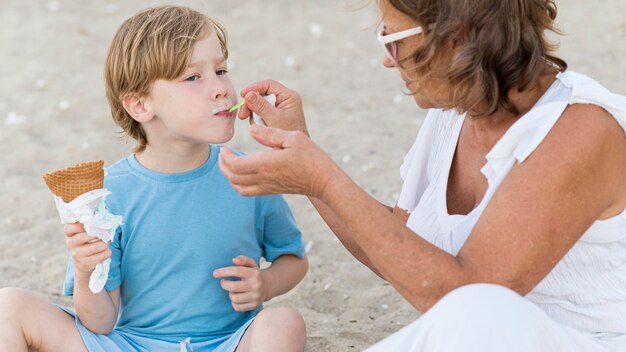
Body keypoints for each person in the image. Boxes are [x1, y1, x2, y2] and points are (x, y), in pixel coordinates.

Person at [218, 0, 626, 350]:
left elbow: (472, 301)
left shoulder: (580, 129)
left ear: (457, 35)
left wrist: (321, 178)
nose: (386, 58)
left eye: (393, 40)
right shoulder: (454, 113)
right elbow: (400, 248)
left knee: (484, 309)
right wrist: (303, 149)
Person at [0, 6, 308, 352]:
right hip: (132, 345)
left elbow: (293, 258)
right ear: (140, 105)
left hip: (228, 343)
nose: (222, 88)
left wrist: (266, 283)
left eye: (221, 70)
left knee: (284, 323)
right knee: (8, 305)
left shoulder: (251, 175)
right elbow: (99, 322)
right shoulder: (108, 194)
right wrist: (88, 272)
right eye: (194, 77)